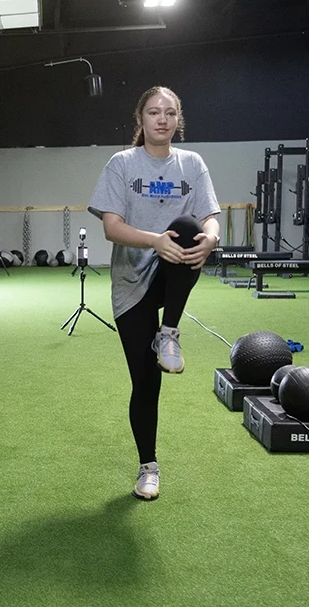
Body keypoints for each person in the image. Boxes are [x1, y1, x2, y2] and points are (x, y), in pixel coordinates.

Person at [87, 86, 221, 501]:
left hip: (173, 272)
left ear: (178, 120)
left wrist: (211, 240)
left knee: (187, 225)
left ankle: (170, 331)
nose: (161, 119)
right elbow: (111, 227)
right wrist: (153, 240)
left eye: (169, 113)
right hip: (132, 282)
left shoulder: (192, 163)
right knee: (146, 384)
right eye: (153, 112)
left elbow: (211, 217)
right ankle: (149, 466)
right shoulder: (122, 164)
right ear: (140, 119)